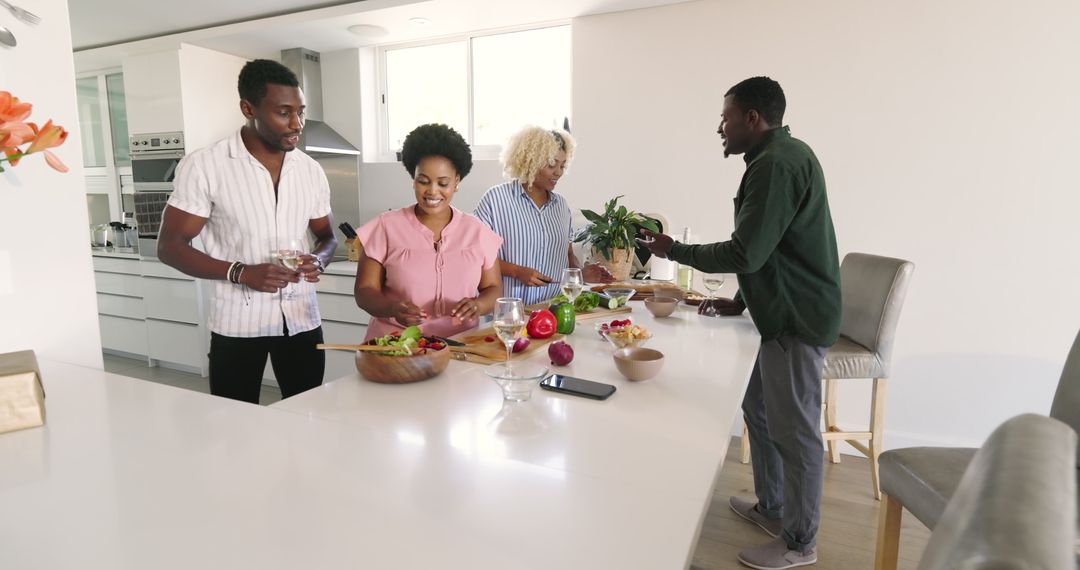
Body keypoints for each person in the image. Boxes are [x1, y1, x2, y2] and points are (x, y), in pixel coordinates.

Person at [639, 76, 841, 569]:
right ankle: (772, 508)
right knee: (760, 410)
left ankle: (799, 542)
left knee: (795, 434)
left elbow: (748, 252)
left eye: (726, 117)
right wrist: (744, 303)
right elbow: (776, 250)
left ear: (752, 118)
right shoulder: (777, 158)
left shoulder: (777, 164)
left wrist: (673, 249)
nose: (720, 128)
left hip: (796, 320)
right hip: (778, 313)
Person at [157, 59, 337, 405]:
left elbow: (327, 237)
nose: (296, 124)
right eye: (284, 113)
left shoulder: (310, 171)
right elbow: (170, 247)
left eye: (301, 112)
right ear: (248, 108)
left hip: (300, 319)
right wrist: (239, 272)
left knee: (310, 417)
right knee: (233, 426)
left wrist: (319, 259)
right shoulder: (206, 165)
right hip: (238, 324)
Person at [353, 123, 502, 341]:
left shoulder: (477, 231)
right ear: (413, 179)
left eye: (443, 183)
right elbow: (364, 291)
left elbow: (494, 288)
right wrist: (393, 308)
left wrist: (478, 305)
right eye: (423, 181)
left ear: (457, 182)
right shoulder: (385, 227)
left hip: (459, 348)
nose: (432, 191)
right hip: (395, 348)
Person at [473, 126, 612, 306]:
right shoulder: (495, 199)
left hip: (555, 309)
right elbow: (476, 258)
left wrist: (580, 273)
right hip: (510, 313)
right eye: (552, 164)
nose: (559, 172)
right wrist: (517, 272)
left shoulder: (561, 206)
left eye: (562, 165)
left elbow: (568, 254)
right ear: (531, 161)